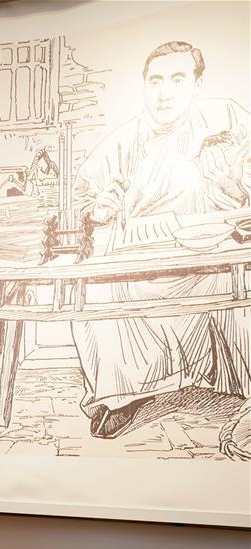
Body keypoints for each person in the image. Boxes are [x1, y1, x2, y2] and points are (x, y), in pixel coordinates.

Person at [71, 40, 251, 438]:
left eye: (177, 79)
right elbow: (80, 200)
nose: (164, 92)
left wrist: (238, 186)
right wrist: (98, 210)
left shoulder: (226, 118)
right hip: (142, 267)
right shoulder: (123, 141)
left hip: (212, 260)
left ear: (197, 84)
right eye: (155, 81)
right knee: (96, 292)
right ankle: (120, 396)